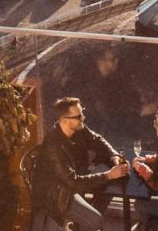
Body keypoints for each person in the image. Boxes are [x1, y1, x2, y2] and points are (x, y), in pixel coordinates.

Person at [31, 97, 129, 231]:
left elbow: (97, 139)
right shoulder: (53, 146)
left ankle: (80, 221)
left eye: (82, 112)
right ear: (64, 120)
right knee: (96, 221)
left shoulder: (76, 128)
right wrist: (109, 175)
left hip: (71, 182)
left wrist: (114, 156)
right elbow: (73, 182)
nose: (83, 117)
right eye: (78, 116)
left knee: (107, 190)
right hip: (57, 195)